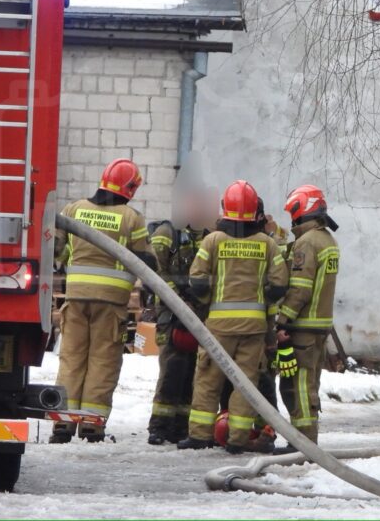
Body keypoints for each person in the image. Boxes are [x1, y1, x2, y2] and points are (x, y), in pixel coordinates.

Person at [178, 180, 288, 453]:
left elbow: (198, 281)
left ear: (225, 208)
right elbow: (279, 285)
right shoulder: (267, 244)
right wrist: (261, 305)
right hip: (253, 329)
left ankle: (200, 436)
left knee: (208, 379)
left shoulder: (212, 240)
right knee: (246, 383)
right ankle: (238, 439)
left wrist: (209, 304)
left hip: (218, 327)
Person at [51, 159, 154, 443]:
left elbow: (57, 250)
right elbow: (146, 261)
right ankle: (91, 425)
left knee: (71, 358)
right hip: (111, 304)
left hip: (75, 298)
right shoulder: (132, 218)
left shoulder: (73, 209)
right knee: (103, 360)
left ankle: (62, 423)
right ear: (131, 187)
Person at [273, 184, 341, 452]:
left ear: (301, 209)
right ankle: (306, 440)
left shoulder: (307, 242)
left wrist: (283, 320)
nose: (291, 219)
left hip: (304, 326)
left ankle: (302, 442)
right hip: (319, 326)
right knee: (309, 383)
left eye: (292, 212)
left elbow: (300, 288)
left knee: (298, 385)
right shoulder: (327, 239)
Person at [146, 188, 215, 445]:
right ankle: (159, 427)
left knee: (191, 372)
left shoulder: (208, 237)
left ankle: (181, 427)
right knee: (172, 369)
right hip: (171, 312)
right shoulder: (167, 233)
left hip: (197, 313)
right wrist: (178, 299)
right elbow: (155, 272)